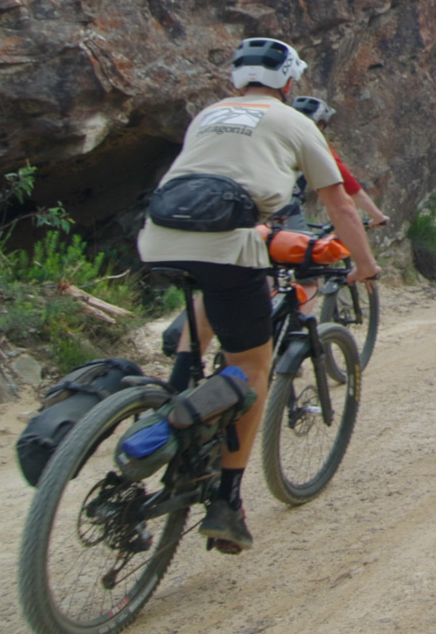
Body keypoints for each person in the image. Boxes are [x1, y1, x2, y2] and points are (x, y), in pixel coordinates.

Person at [138, 38, 381, 554]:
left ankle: (171, 394)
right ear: (289, 84)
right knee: (251, 367)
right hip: (229, 240)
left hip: (158, 238)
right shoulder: (296, 122)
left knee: (212, 289)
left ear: (236, 79)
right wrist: (365, 263)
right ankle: (227, 500)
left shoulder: (208, 115)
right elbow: (338, 201)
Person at [290, 95, 390, 229]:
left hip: (254, 206)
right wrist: (378, 216)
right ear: (320, 125)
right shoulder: (315, 145)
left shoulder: (272, 134)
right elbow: (349, 186)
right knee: (302, 247)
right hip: (283, 209)